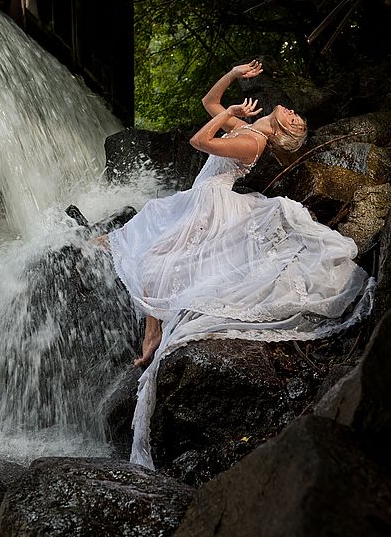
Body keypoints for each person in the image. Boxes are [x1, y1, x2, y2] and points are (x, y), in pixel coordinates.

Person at [98, 59, 374, 467]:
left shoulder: (252, 143)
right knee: (149, 226)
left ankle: (152, 331)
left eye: (295, 121)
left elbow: (198, 142)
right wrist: (232, 76)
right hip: (198, 197)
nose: (293, 112)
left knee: (157, 259)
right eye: (295, 115)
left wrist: (229, 116)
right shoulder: (247, 129)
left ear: (281, 131)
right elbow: (209, 101)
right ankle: (140, 304)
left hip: (212, 205)